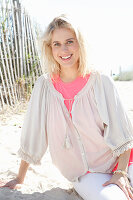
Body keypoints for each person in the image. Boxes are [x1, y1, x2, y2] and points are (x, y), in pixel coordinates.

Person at [3, 15, 133, 200]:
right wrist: (19, 177)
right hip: (85, 173)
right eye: (56, 44)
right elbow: (34, 133)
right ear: (50, 48)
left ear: (80, 44)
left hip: (123, 161)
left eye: (70, 41)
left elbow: (122, 131)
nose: (63, 49)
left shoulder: (100, 80)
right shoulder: (45, 86)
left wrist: (120, 173)